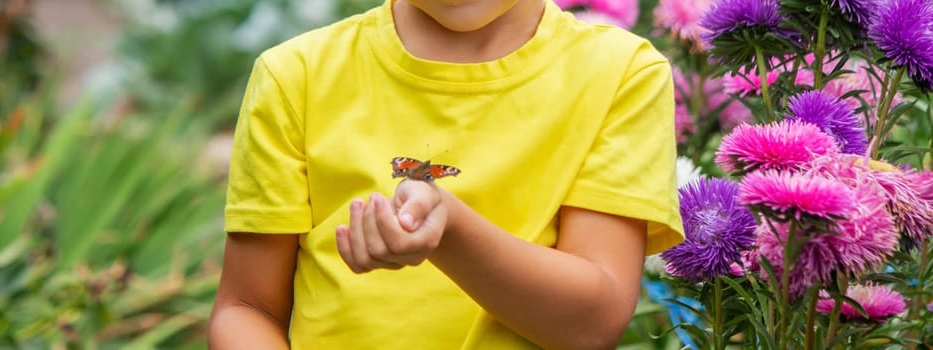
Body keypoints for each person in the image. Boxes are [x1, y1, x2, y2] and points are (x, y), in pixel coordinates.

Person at [209, 0, 684, 348]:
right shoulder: (296, 76)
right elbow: (247, 309)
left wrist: (450, 230)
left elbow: (591, 324)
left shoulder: (620, 74)